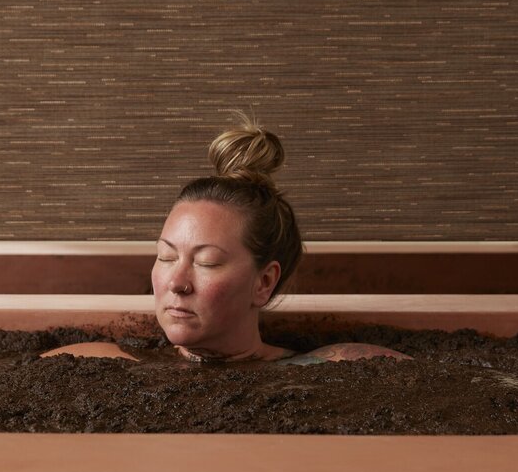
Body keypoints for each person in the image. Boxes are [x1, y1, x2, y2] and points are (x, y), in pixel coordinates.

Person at [42, 113, 410, 365]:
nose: (176, 282)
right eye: (166, 257)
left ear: (263, 283)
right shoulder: (96, 365)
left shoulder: (336, 371)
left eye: (206, 262)